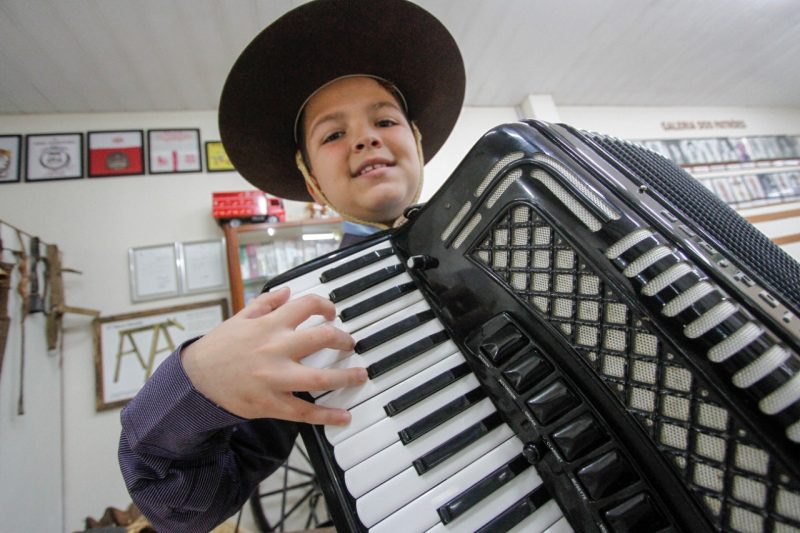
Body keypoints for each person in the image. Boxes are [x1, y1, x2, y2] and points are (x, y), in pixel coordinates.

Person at [118, 0, 465, 531]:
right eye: (332, 134)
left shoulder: (510, 222)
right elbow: (182, 505)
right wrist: (196, 383)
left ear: (415, 142)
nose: (366, 137)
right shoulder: (304, 314)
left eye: (385, 119)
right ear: (312, 183)